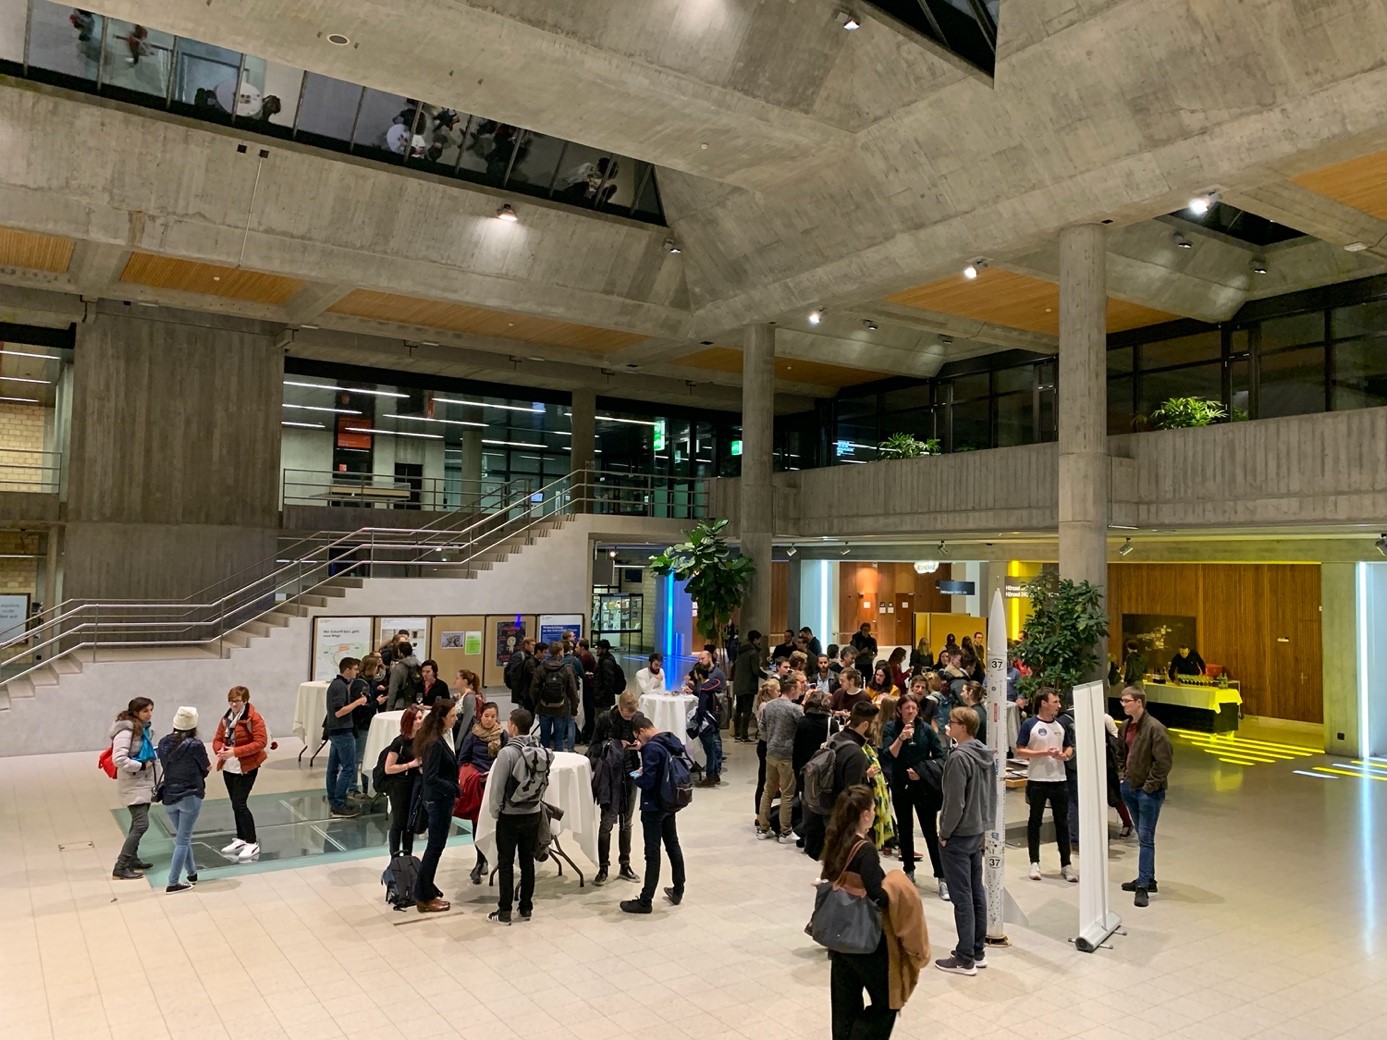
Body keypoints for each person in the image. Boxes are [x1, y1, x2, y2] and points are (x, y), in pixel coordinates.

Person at [822, 785, 896, 1040]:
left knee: (844, 1004)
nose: (875, 813)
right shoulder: (864, 850)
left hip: (839, 937)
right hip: (865, 940)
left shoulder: (836, 840)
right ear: (864, 814)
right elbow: (877, 893)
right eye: (874, 809)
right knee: (887, 1002)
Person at [936, 706, 997, 975]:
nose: (949, 726)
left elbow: (954, 802)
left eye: (952, 722)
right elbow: (990, 794)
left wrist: (945, 833)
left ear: (963, 726)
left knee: (963, 897)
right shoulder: (984, 754)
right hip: (977, 829)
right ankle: (976, 950)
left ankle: (964, 958)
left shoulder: (959, 758)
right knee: (976, 892)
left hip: (959, 833)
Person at [486, 707, 553, 924]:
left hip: (510, 814)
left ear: (513, 726)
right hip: (533, 812)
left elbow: (497, 787)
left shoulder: (507, 752)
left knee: (505, 862)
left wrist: (496, 810)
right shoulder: (540, 748)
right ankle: (526, 908)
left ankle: (504, 910)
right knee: (527, 861)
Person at [620, 714, 688, 914]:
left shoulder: (651, 748)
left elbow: (648, 781)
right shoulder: (669, 740)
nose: (638, 742)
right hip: (670, 802)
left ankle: (645, 900)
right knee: (673, 845)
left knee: (652, 852)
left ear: (640, 731)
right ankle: (678, 889)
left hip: (654, 806)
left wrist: (635, 776)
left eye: (638, 738)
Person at [884, 694, 947, 894]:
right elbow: (888, 754)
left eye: (914, 708)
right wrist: (901, 738)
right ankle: (909, 870)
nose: (911, 711)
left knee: (930, 831)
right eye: (907, 708)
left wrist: (922, 771)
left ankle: (941, 876)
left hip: (922, 786)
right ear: (899, 711)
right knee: (905, 829)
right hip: (900, 784)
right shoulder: (890, 729)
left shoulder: (926, 730)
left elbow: (940, 756)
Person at [1119, 688, 1174, 907]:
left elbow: (1164, 762)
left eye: (1127, 701)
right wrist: (1124, 777)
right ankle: (1148, 878)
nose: (1123, 704)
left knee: (1145, 837)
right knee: (1143, 837)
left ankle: (1143, 885)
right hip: (1131, 787)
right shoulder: (1126, 726)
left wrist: (1149, 787)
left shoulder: (1155, 729)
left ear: (1139, 702)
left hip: (1148, 792)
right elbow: (1123, 753)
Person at [1016, 688, 1077, 883]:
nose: (1059, 705)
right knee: (1035, 821)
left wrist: (1064, 755)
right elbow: (1020, 750)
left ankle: (1066, 864)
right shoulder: (1030, 724)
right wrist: (1042, 753)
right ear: (1044, 703)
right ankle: (1034, 861)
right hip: (1037, 780)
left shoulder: (1061, 725)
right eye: (1055, 701)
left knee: (1062, 823)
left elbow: (1069, 747)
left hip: (1059, 780)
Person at [411, 699, 460, 913]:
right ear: (441, 718)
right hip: (438, 800)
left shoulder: (437, 738)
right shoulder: (435, 743)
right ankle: (424, 895)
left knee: (435, 847)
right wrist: (454, 788)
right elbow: (431, 778)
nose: (456, 719)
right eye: (452, 716)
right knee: (435, 848)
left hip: (440, 799)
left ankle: (426, 889)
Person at [588, 691, 642, 885]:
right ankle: (603, 867)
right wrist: (616, 745)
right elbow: (593, 747)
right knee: (607, 822)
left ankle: (625, 865)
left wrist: (640, 745)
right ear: (619, 707)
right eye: (627, 715)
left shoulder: (638, 718)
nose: (630, 719)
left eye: (632, 716)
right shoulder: (605, 719)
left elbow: (648, 739)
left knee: (627, 822)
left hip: (632, 773)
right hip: (609, 776)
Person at [212, 685, 268, 862]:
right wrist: (219, 750)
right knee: (234, 804)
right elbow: (217, 739)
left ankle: (252, 841)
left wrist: (235, 752)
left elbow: (260, 742)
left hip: (247, 766)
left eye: (236, 701)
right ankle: (241, 838)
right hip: (229, 765)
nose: (233, 704)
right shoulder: (226, 717)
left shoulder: (254, 718)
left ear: (245, 701)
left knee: (240, 804)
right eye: (230, 701)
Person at [159, 707, 210, 893]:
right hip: (190, 795)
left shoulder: (163, 742)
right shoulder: (195, 745)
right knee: (182, 840)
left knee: (183, 836)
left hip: (169, 797)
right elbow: (206, 767)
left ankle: (192, 872)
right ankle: (173, 882)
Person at [458, 700, 506, 883]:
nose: (489, 720)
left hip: (496, 783)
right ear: (481, 716)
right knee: (478, 824)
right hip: (478, 784)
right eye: (486, 716)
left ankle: (499, 859)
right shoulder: (472, 736)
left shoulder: (502, 735)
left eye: (493, 716)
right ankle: (480, 860)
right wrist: (472, 775)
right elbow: (462, 761)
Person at [110, 697, 157, 880]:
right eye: (145, 711)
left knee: (136, 823)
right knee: (141, 824)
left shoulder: (142, 729)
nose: (149, 714)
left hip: (144, 782)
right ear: (135, 712)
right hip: (133, 782)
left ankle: (132, 858)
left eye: (151, 710)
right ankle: (120, 866)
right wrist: (141, 766)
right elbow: (119, 759)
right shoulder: (126, 731)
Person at [757, 676, 804, 841]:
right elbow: (803, 729)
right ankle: (785, 831)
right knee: (787, 793)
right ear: (792, 689)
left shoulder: (769, 706)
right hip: (787, 756)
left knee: (768, 790)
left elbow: (762, 728)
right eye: (799, 688)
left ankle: (763, 828)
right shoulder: (795, 709)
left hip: (770, 753)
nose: (801, 691)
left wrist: (772, 738)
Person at [382, 705, 424, 860]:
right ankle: (394, 857)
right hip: (399, 786)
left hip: (414, 785)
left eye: (421, 718)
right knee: (399, 822)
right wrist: (409, 765)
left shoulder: (420, 740)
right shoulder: (398, 743)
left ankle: (407, 855)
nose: (420, 721)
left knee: (409, 823)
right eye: (417, 718)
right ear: (409, 721)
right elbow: (388, 768)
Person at [324, 657, 364, 818]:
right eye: (355, 668)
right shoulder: (340, 686)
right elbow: (339, 711)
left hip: (335, 730)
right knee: (348, 768)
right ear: (347, 669)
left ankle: (334, 800)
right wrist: (358, 702)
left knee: (333, 769)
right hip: (342, 730)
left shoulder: (337, 685)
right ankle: (339, 803)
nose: (357, 671)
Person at [530, 641, 579, 751]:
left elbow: (533, 690)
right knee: (559, 739)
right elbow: (573, 691)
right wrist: (574, 709)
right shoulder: (566, 669)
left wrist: (536, 704)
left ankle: (543, 763)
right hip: (561, 708)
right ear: (561, 652)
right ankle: (558, 762)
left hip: (544, 707)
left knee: (545, 738)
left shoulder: (541, 668)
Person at [691, 674, 725, 786]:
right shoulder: (712, 687)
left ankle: (710, 776)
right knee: (714, 749)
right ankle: (715, 774)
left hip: (706, 725)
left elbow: (701, 708)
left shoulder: (705, 689)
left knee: (709, 751)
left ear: (698, 675)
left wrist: (697, 722)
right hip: (714, 723)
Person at [594, 639, 627, 716]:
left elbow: (609, 682)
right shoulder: (604, 660)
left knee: (602, 719)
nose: (597, 651)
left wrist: (600, 696)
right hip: (603, 698)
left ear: (604, 649)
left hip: (604, 699)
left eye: (599, 649)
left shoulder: (606, 662)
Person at [506, 637, 537, 712]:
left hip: (526, 690)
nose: (534, 647)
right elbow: (514, 673)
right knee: (523, 712)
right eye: (532, 645)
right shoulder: (519, 656)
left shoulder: (530, 656)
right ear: (526, 645)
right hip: (521, 689)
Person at [387, 641, 421, 709]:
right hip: (417, 702)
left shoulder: (398, 668)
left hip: (401, 703)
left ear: (400, 653)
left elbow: (393, 690)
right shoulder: (419, 665)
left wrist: (389, 707)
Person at [959, 681, 988, 746]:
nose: (961, 694)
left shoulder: (973, 713)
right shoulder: (980, 709)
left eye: (963, 691)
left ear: (970, 692)